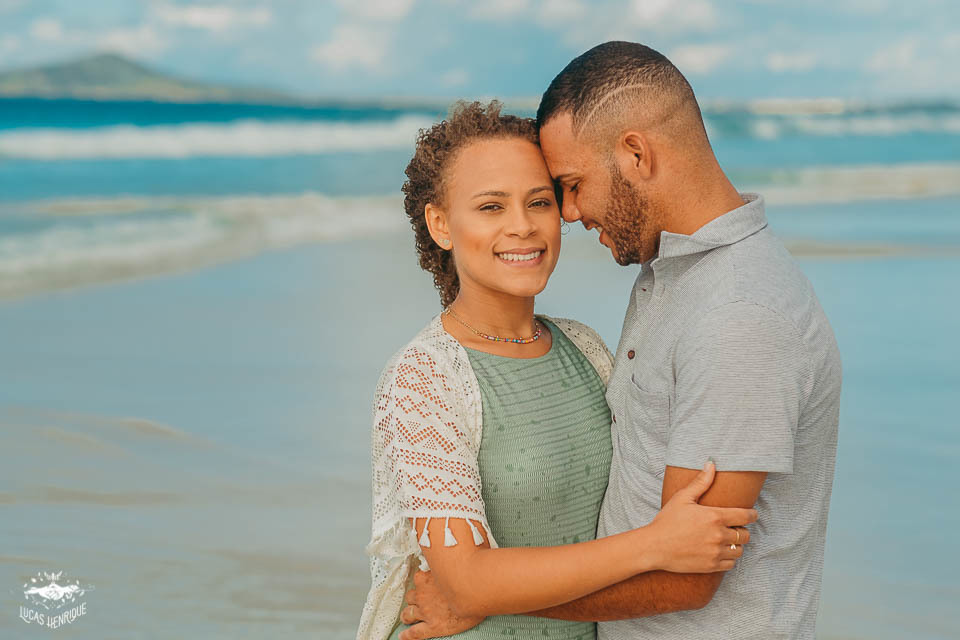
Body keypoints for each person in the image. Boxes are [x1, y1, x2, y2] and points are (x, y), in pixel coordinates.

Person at [401, 42, 842, 640]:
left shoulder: (738, 315)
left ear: (635, 153)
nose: (570, 212)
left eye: (569, 187)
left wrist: (483, 603)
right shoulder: (672, 275)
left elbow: (690, 575)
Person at [356, 100, 759, 640]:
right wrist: (655, 545)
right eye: (491, 207)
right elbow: (466, 583)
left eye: (539, 201)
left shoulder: (584, 348)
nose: (523, 227)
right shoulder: (424, 378)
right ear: (440, 225)